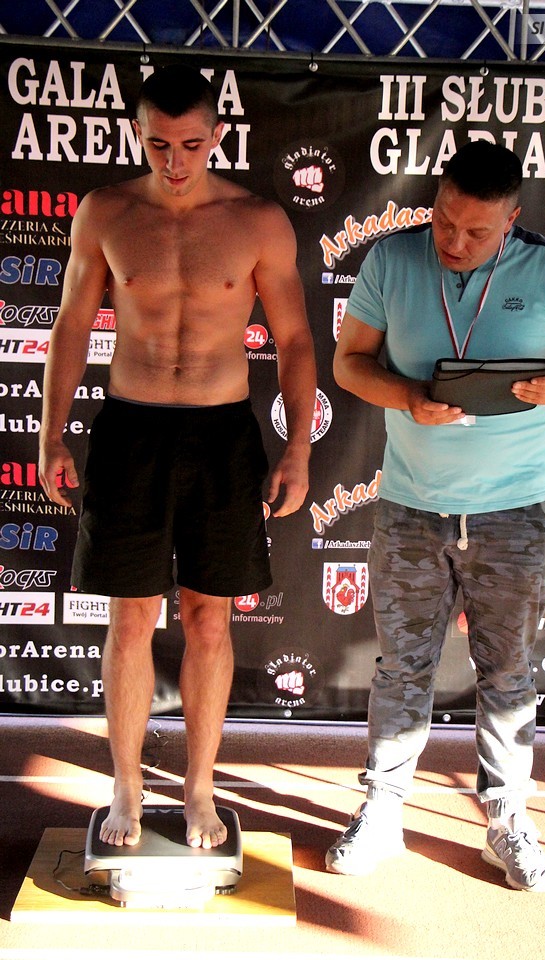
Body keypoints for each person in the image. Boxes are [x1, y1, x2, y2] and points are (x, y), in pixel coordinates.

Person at [38, 64, 316, 849]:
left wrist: (298, 446)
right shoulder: (106, 211)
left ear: (217, 135)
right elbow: (70, 325)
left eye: (191, 144)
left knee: (207, 619)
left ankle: (198, 788)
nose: (175, 161)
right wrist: (51, 433)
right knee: (130, 619)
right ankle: (125, 788)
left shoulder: (257, 220)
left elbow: (296, 339)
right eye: (159, 144)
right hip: (130, 432)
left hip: (222, 435)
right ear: (138, 134)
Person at [325, 141, 545, 891]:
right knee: (401, 668)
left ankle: (508, 817)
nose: (454, 241)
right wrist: (407, 398)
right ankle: (383, 810)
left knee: (508, 671)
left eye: (477, 231)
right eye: (444, 221)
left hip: (514, 511)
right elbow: (349, 362)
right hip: (412, 506)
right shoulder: (392, 260)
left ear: (511, 221)